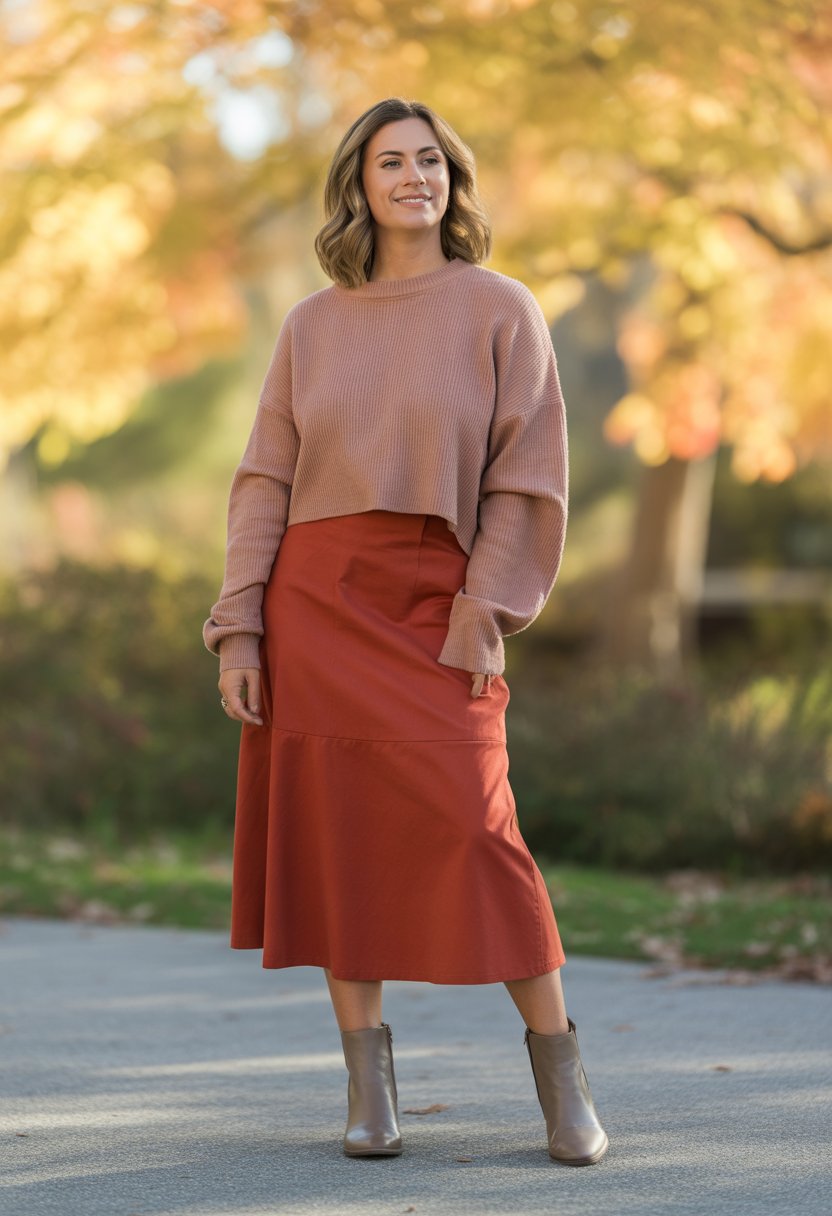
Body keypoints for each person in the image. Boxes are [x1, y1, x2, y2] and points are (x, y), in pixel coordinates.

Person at [203, 96, 608, 1166]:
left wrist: (487, 606)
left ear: (451, 180)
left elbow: (527, 474)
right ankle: (367, 1090)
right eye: (391, 161)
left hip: (441, 596)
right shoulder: (311, 324)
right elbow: (263, 482)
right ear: (360, 185)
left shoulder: (499, 307)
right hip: (317, 602)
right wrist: (239, 627)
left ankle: (563, 1078)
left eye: (430, 160)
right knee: (339, 839)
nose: (413, 176)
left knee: (481, 831)